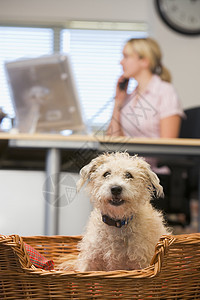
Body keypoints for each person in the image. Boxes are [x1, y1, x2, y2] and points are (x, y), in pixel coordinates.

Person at [107, 37, 184, 139]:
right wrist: (118, 101)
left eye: (126, 56)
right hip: (129, 155)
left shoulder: (165, 91)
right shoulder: (129, 97)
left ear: (144, 61)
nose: (121, 62)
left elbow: (168, 145)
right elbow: (112, 140)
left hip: (153, 155)